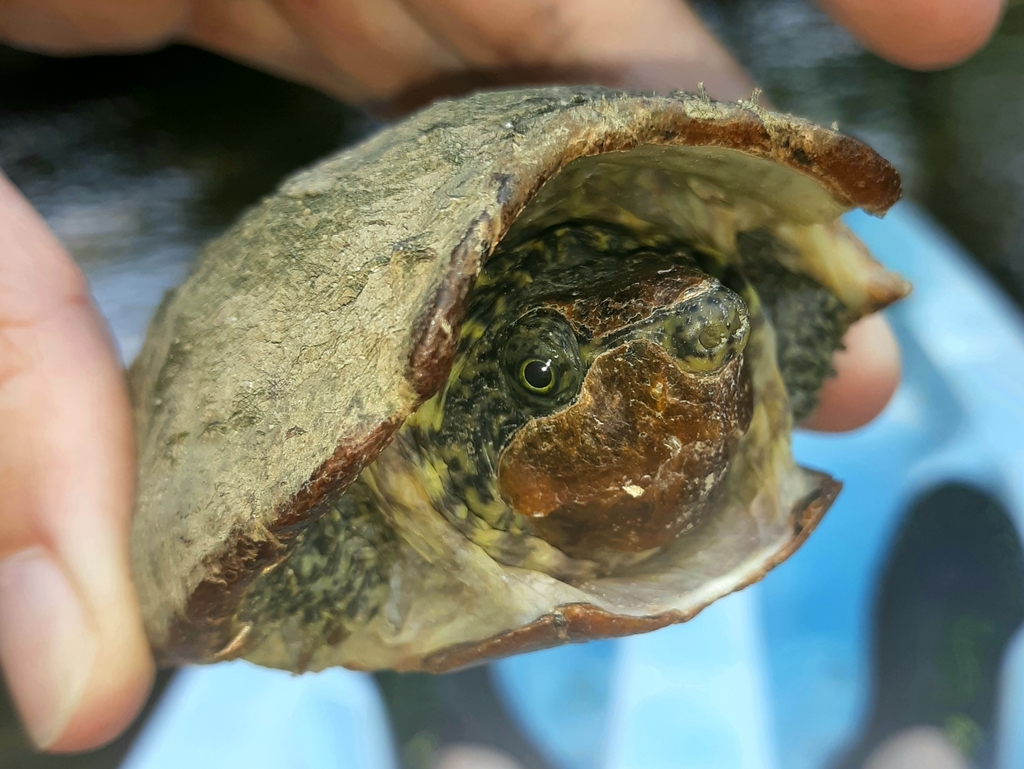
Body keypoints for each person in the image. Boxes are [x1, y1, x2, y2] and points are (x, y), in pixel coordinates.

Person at [0, 0, 1006, 754]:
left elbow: (762, 295)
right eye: (539, 373)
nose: (678, 361)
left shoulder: (741, 300)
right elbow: (210, 579)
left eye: (708, 329)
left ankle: (458, 742)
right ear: (428, 425)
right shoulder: (353, 519)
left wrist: (723, 316)